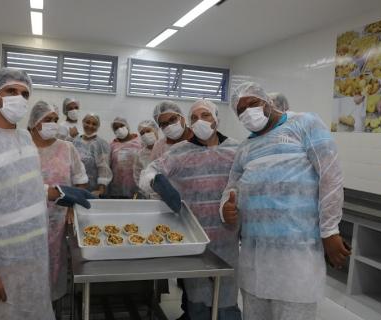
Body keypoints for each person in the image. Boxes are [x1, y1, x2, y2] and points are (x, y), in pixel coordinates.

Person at [0, 68, 94, 320]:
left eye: (24, 93)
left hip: (33, 255)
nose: (19, 97)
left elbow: (21, 186)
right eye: (11, 91)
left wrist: (55, 193)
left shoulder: (25, 140)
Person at [221, 82, 351, 320]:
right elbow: (231, 186)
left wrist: (330, 230)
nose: (248, 111)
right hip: (254, 255)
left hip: (296, 256)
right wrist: (225, 207)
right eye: (241, 110)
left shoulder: (304, 124)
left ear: (267, 102)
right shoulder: (246, 148)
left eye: (253, 104)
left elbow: (330, 176)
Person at [139, 100, 241, 320]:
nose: (199, 122)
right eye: (194, 118)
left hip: (228, 238)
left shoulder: (236, 149)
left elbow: (249, 183)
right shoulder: (179, 151)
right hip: (194, 237)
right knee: (198, 302)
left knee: (226, 302)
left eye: (205, 116)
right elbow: (148, 172)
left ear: (216, 119)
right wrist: (156, 180)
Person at [27, 101, 89, 303]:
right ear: (35, 122)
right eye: (47, 120)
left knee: (56, 264)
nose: (53, 123)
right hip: (26, 220)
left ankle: (53, 305)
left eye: (55, 119)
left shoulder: (67, 148)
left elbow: (81, 181)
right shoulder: (23, 147)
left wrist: (73, 209)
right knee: (29, 266)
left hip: (60, 221)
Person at [73, 113, 113, 197]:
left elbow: (104, 168)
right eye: (88, 122)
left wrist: (100, 190)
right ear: (83, 123)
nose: (90, 126)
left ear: (98, 127)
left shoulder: (101, 144)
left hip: (93, 190)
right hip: (75, 187)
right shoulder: (75, 142)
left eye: (94, 124)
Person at [109, 116, 142, 198]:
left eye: (121, 126)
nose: (119, 129)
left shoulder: (140, 142)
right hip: (117, 187)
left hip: (137, 185)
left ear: (127, 126)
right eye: (116, 128)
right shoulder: (112, 146)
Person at [133, 119, 159, 197]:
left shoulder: (165, 148)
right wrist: (146, 191)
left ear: (156, 130)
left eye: (148, 131)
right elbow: (137, 176)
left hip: (168, 192)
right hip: (149, 195)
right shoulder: (140, 155)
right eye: (142, 133)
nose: (145, 134)